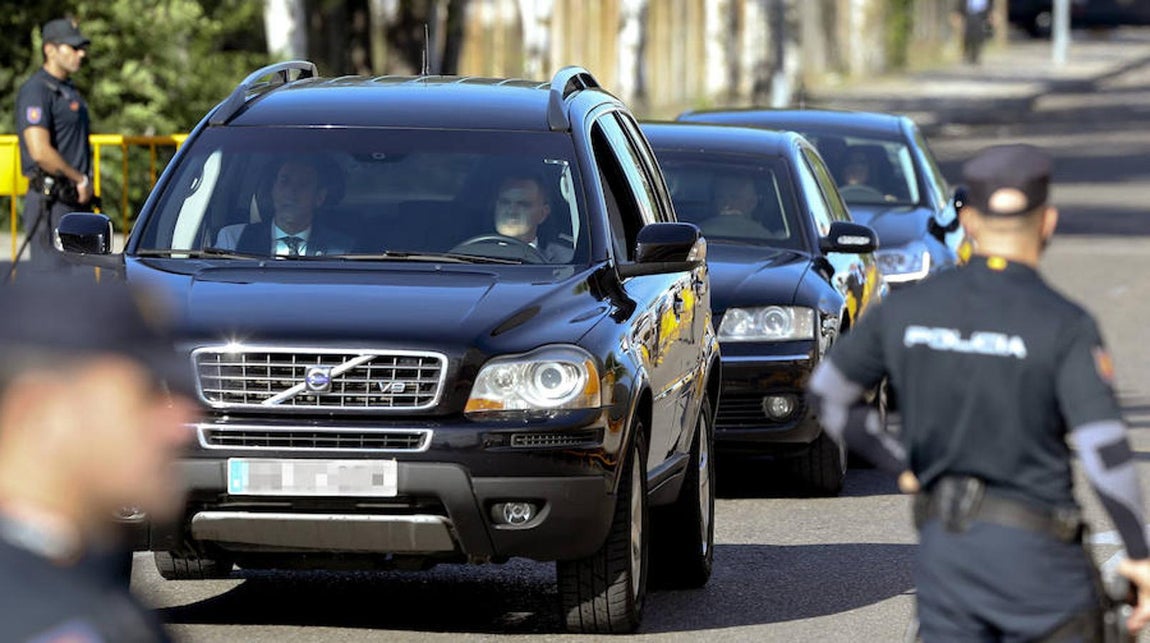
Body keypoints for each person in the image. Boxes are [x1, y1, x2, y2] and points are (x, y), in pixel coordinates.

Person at [806, 144, 1150, 640]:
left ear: (967, 220)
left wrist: (902, 463)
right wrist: (1137, 553)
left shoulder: (908, 310)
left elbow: (828, 393)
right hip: (1043, 568)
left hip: (950, 562)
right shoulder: (1065, 324)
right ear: (1047, 222)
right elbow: (1104, 450)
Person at [0, 276, 198, 640]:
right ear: (41, 414)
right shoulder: (49, 623)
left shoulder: (76, 582)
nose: (181, 424)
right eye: (148, 395)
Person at [15, 17, 93, 272]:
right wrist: (79, 179)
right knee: (53, 286)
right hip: (52, 203)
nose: (81, 53)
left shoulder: (68, 89)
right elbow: (39, 151)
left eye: (82, 47)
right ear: (50, 49)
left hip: (73, 202)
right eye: (72, 47)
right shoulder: (37, 90)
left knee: (80, 288)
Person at [216, 157, 354, 256]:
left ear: (319, 197)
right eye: (284, 181)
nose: (291, 192)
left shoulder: (341, 249)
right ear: (272, 190)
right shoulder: (234, 240)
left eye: (303, 184)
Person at [490, 173, 572, 262]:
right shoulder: (474, 256)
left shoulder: (566, 259)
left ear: (543, 214)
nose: (511, 211)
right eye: (505, 202)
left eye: (523, 204)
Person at [699, 174, 778, 239]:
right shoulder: (767, 239)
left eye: (734, 198)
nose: (727, 203)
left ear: (752, 203)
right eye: (720, 197)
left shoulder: (697, 235)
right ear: (713, 202)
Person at [952, 0, 995, 65]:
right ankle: (967, 53)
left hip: (981, 16)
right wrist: (957, 14)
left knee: (979, 36)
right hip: (969, 15)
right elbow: (961, 5)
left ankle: (975, 55)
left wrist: (991, 16)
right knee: (968, 36)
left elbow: (990, 5)